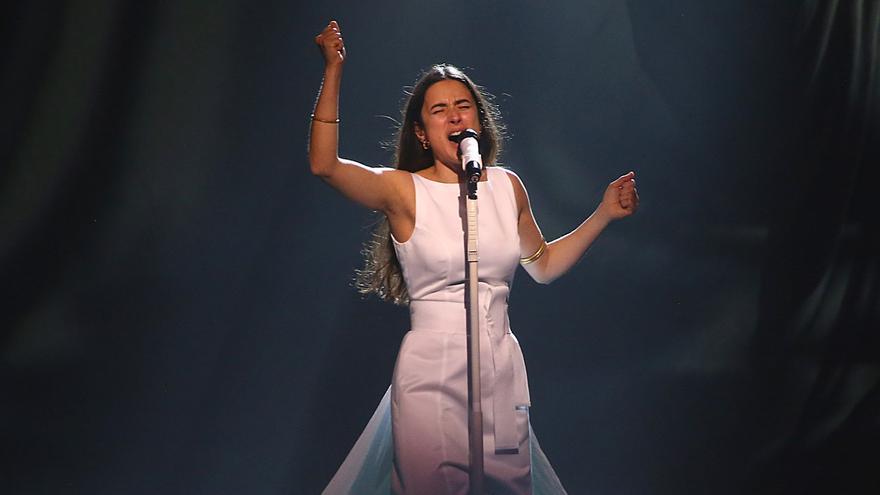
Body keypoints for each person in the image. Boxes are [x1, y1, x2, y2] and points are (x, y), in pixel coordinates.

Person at [310, 20, 639, 495]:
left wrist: (603, 214)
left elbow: (542, 264)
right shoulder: (405, 191)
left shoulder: (507, 187)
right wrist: (334, 69)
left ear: (478, 123)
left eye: (463, 106)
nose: (454, 116)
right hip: (431, 374)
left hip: (500, 368)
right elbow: (325, 165)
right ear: (422, 133)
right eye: (439, 110)